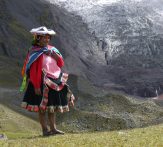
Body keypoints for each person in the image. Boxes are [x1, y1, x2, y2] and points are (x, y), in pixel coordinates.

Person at [20, 26, 75, 136]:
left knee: (52, 107)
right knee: (42, 109)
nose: (47, 39)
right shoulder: (34, 51)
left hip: (54, 80)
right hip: (40, 82)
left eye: (48, 37)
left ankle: (53, 129)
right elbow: (33, 70)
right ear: (38, 38)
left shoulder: (52, 49)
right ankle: (45, 130)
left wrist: (56, 56)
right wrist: (36, 85)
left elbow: (60, 64)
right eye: (44, 37)